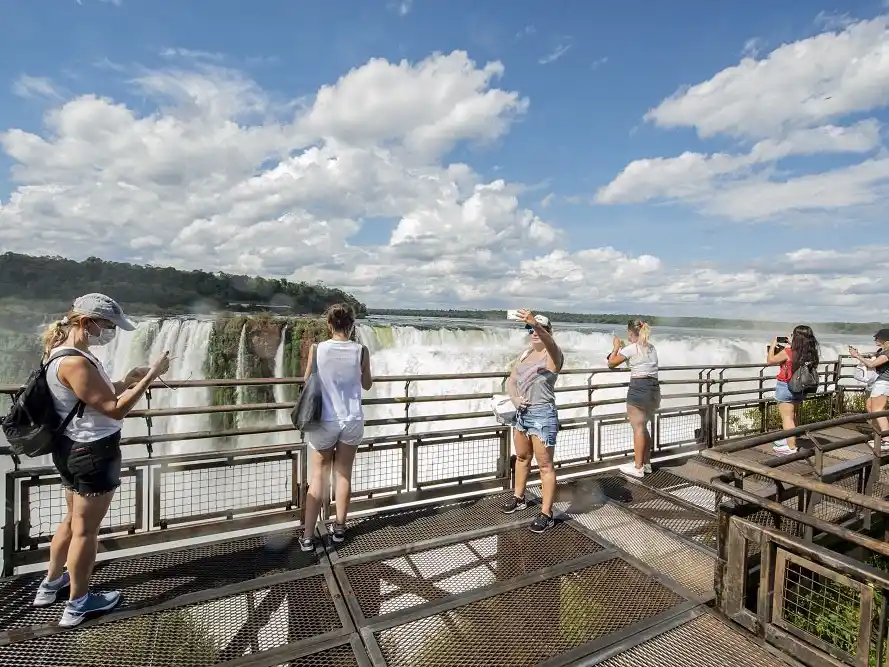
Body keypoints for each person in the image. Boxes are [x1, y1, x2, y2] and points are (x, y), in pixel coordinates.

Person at [33, 293, 170, 628]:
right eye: (107, 324)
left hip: (71, 449)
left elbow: (95, 397)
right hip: (92, 453)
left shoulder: (63, 354)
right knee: (86, 533)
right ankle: (78, 604)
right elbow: (115, 409)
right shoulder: (76, 362)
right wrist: (152, 374)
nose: (109, 331)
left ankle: (51, 585)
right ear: (86, 321)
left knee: (70, 522)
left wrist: (127, 380)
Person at [299, 304, 373, 551]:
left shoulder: (317, 349)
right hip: (351, 419)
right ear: (352, 326)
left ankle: (308, 537)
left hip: (324, 421)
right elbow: (367, 385)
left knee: (317, 478)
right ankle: (339, 530)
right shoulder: (361, 351)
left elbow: (308, 380)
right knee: (343, 475)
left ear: (329, 325)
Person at [501, 309, 564, 534]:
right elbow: (511, 381)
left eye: (540, 329)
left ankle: (547, 514)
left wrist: (535, 323)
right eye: (531, 329)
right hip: (522, 415)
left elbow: (551, 345)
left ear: (548, 331)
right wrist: (515, 399)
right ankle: (519, 498)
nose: (535, 332)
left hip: (542, 415)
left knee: (545, 466)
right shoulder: (525, 354)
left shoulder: (553, 355)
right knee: (521, 457)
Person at [607, 320, 660, 478]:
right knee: (643, 427)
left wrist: (616, 347)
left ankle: (638, 468)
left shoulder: (632, 348)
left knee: (638, 427)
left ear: (630, 333)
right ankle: (646, 463)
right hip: (654, 389)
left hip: (639, 388)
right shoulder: (651, 348)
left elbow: (611, 363)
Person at [766, 325, 820, 456]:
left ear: (797, 337)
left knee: (787, 418)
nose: (790, 337)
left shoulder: (789, 351)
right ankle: (789, 441)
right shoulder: (810, 353)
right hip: (800, 388)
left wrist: (773, 345)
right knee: (793, 416)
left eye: (792, 335)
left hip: (786, 386)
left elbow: (770, 360)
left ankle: (791, 448)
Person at [849, 328, 889, 448]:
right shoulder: (882, 351)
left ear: (885, 339)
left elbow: (872, 364)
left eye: (877, 337)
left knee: (878, 410)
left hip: (884, 382)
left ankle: (887, 440)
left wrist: (857, 356)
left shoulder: (888, 352)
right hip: (878, 382)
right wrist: (861, 355)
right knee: (871, 408)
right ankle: (879, 435)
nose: (875, 339)